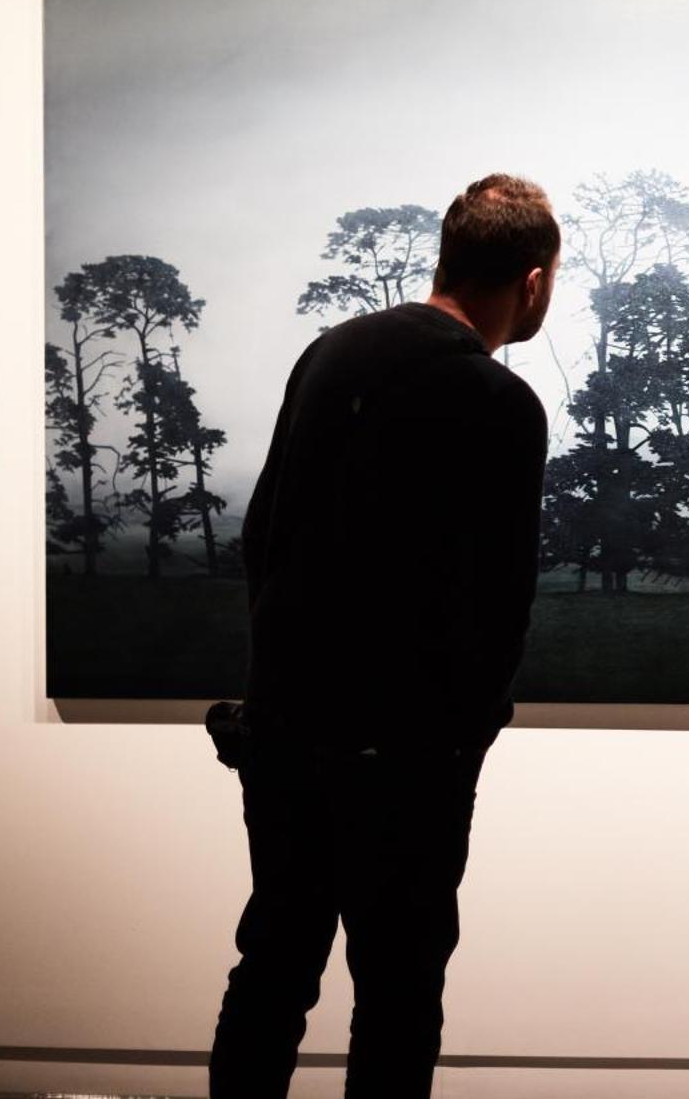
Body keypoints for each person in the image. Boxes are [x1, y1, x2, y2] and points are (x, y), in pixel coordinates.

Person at [209, 174, 558, 1099]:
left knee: (273, 967)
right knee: (399, 995)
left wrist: (277, 684)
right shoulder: (502, 403)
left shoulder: (331, 353)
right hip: (409, 759)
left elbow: (261, 534)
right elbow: (503, 601)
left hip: (287, 737)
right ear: (531, 280)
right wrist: (466, 732)